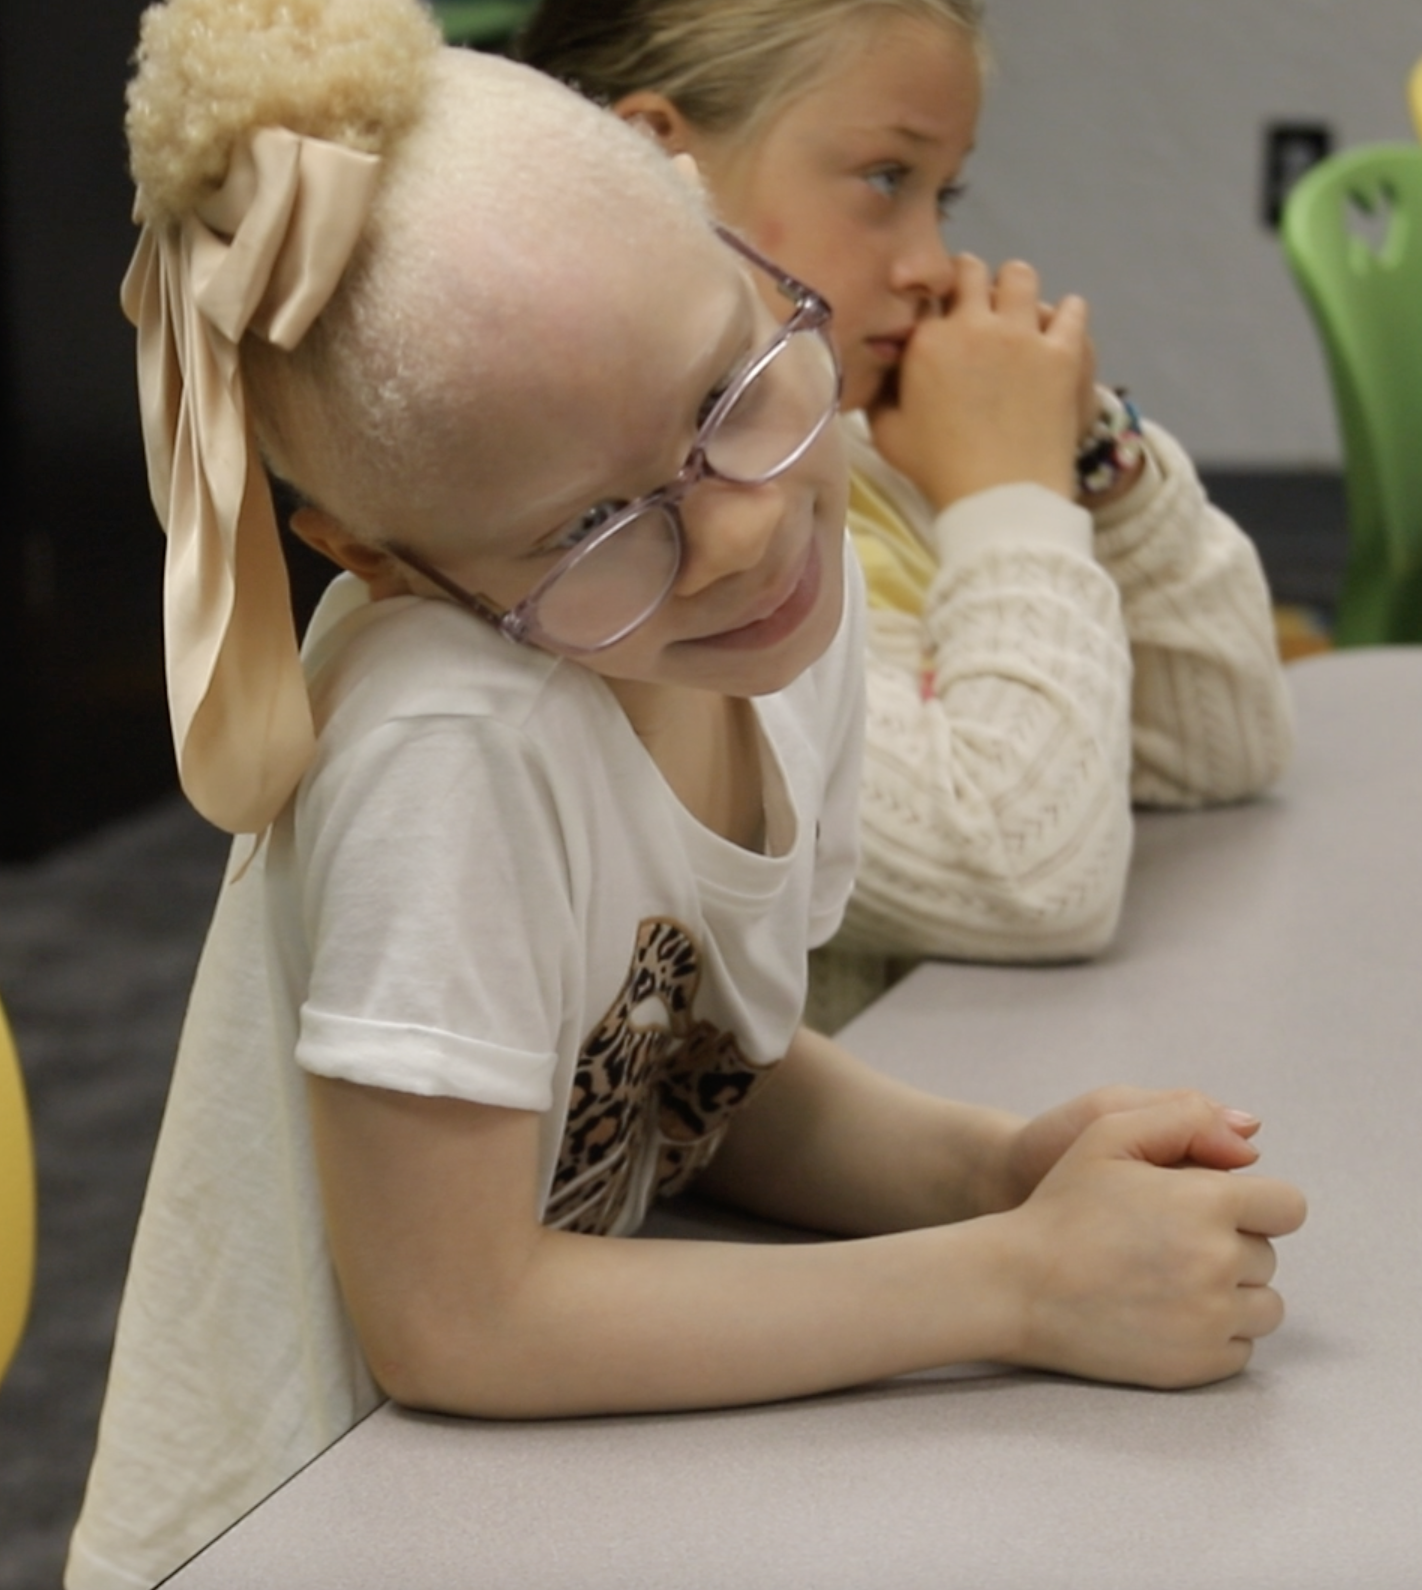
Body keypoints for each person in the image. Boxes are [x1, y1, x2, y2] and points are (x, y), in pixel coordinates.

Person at [67, 2, 1305, 1586]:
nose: (734, 536)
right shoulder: (459, 738)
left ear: (736, 263)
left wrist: (991, 1171)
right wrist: (1008, 1284)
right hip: (306, 1529)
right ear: (388, 566)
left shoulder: (788, 575)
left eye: (730, 388)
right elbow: (461, 1320)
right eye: (591, 528)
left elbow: (690, 1073)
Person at [519, 0, 1297, 1029]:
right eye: (887, 178)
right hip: (765, 1177)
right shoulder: (651, 556)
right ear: (647, 158)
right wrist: (1009, 494)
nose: (932, 263)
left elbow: (1219, 752)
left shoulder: (872, 450)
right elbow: (1026, 879)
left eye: (946, 193)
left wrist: (1090, 455)